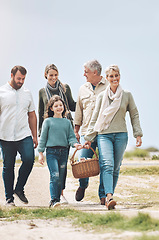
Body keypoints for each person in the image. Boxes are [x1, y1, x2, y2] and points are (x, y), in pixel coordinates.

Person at [84, 64, 143, 210]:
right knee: (107, 165)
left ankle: (104, 195)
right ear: (107, 78)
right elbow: (95, 117)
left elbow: (134, 114)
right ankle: (109, 196)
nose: (114, 78)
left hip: (121, 135)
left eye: (116, 75)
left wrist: (138, 134)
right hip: (104, 135)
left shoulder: (127, 95)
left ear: (120, 76)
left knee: (115, 167)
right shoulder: (101, 97)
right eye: (111, 76)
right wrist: (89, 138)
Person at [0, 65, 38, 206]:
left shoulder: (27, 93)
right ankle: (9, 198)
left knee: (29, 160)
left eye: (23, 79)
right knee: (8, 166)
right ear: (11, 75)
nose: (21, 81)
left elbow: (32, 115)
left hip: (24, 135)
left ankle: (19, 188)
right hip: (6, 136)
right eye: (18, 78)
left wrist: (35, 136)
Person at [38, 64, 76, 204]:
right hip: (50, 131)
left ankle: (61, 194)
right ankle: (55, 198)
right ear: (46, 75)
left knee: (63, 169)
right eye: (51, 75)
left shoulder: (65, 88)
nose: (54, 78)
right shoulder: (42, 92)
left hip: (66, 129)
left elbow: (71, 105)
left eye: (56, 75)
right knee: (55, 173)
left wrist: (86, 103)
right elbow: (41, 112)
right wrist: (40, 135)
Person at [38, 95, 83, 208]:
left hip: (64, 152)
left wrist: (75, 144)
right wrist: (40, 153)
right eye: (56, 106)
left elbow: (71, 137)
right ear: (51, 108)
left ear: (64, 107)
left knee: (61, 176)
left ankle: (56, 199)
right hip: (51, 152)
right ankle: (54, 200)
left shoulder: (67, 122)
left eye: (61, 105)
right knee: (55, 175)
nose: (59, 107)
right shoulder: (47, 122)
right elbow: (42, 138)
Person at [74, 59, 108, 204]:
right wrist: (76, 129)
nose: (84, 74)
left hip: (104, 132)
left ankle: (102, 195)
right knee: (82, 161)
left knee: (105, 163)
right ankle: (83, 185)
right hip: (87, 131)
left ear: (95, 72)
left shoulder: (108, 86)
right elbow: (79, 110)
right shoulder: (83, 88)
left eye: (86, 72)